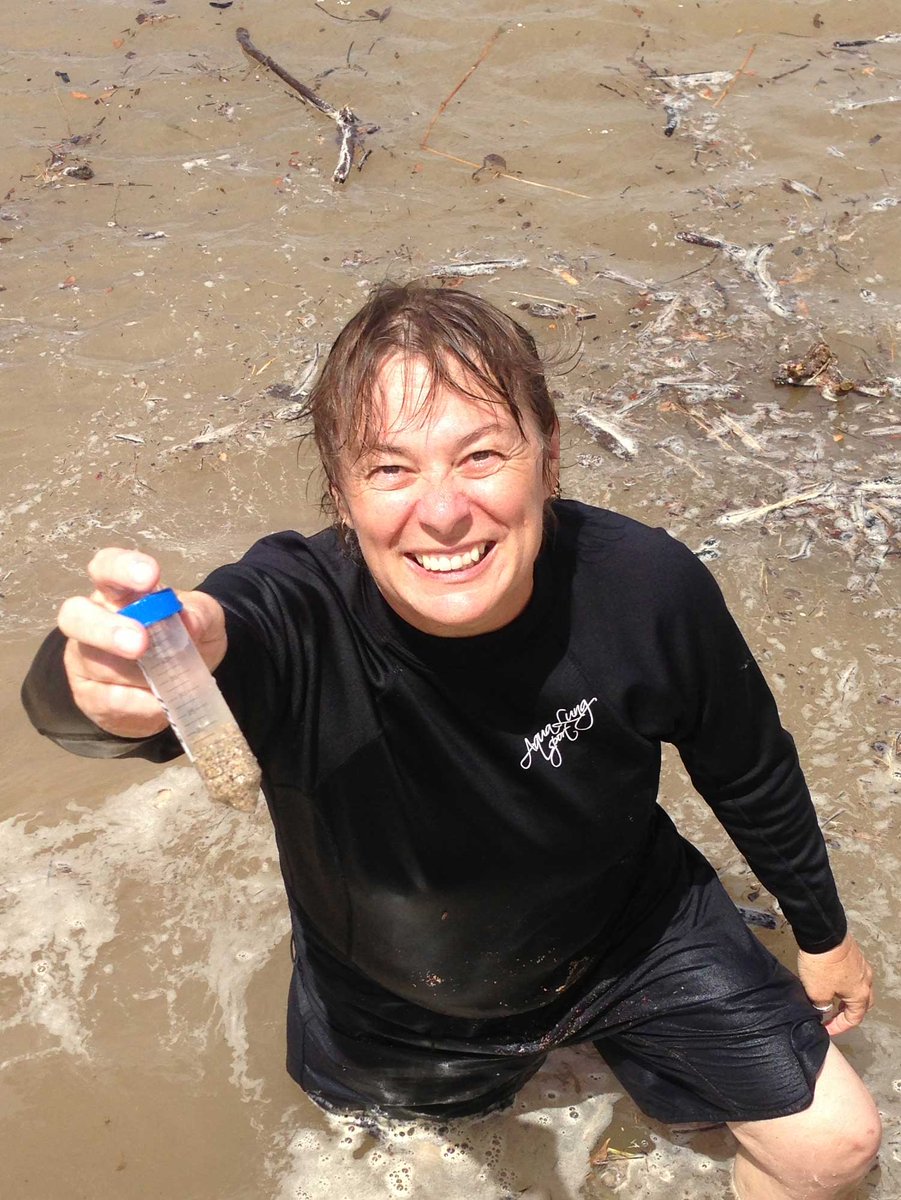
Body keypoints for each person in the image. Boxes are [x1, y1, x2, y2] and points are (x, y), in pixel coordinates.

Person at [22, 282, 880, 1199]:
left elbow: (746, 765)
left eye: (479, 456)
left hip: (637, 938)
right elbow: (106, 703)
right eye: (389, 470)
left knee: (834, 1145)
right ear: (342, 496)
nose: (440, 513)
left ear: (547, 460)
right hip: (398, 1006)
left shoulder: (644, 586)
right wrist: (95, 682)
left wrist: (823, 934)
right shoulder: (296, 619)